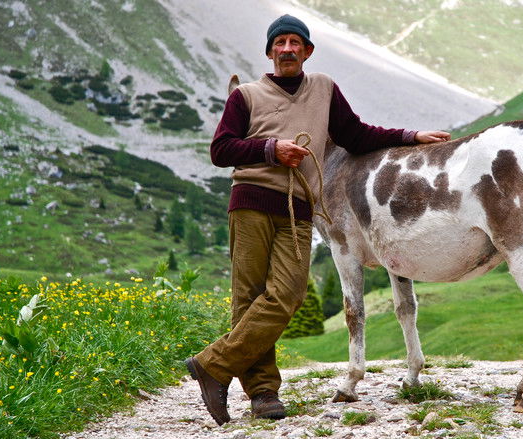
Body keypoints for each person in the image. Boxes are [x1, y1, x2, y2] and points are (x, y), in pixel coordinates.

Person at [185, 14, 450, 425]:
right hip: (251, 202)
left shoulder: (324, 89)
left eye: (295, 43)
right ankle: (263, 393)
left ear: (307, 51)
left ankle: (211, 365)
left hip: (298, 208)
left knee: (287, 295)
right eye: (280, 43)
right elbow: (221, 150)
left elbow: (356, 135)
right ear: (270, 52)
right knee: (249, 299)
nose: (287, 49)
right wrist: (270, 150)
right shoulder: (246, 96)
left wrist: (409, 137)